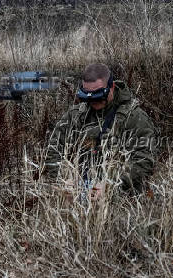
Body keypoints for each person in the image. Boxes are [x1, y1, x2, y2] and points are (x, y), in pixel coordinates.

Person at [44, 63, 158, 199]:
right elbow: (53, 150)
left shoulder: (134, 118)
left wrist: (112, 185)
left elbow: (144, 161)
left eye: (99, 94)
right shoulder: (75, 115)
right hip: (77, 195)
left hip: (122, 198)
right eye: (87, 95)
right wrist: (64, 178)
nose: (93, 100)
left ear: (112, 87)